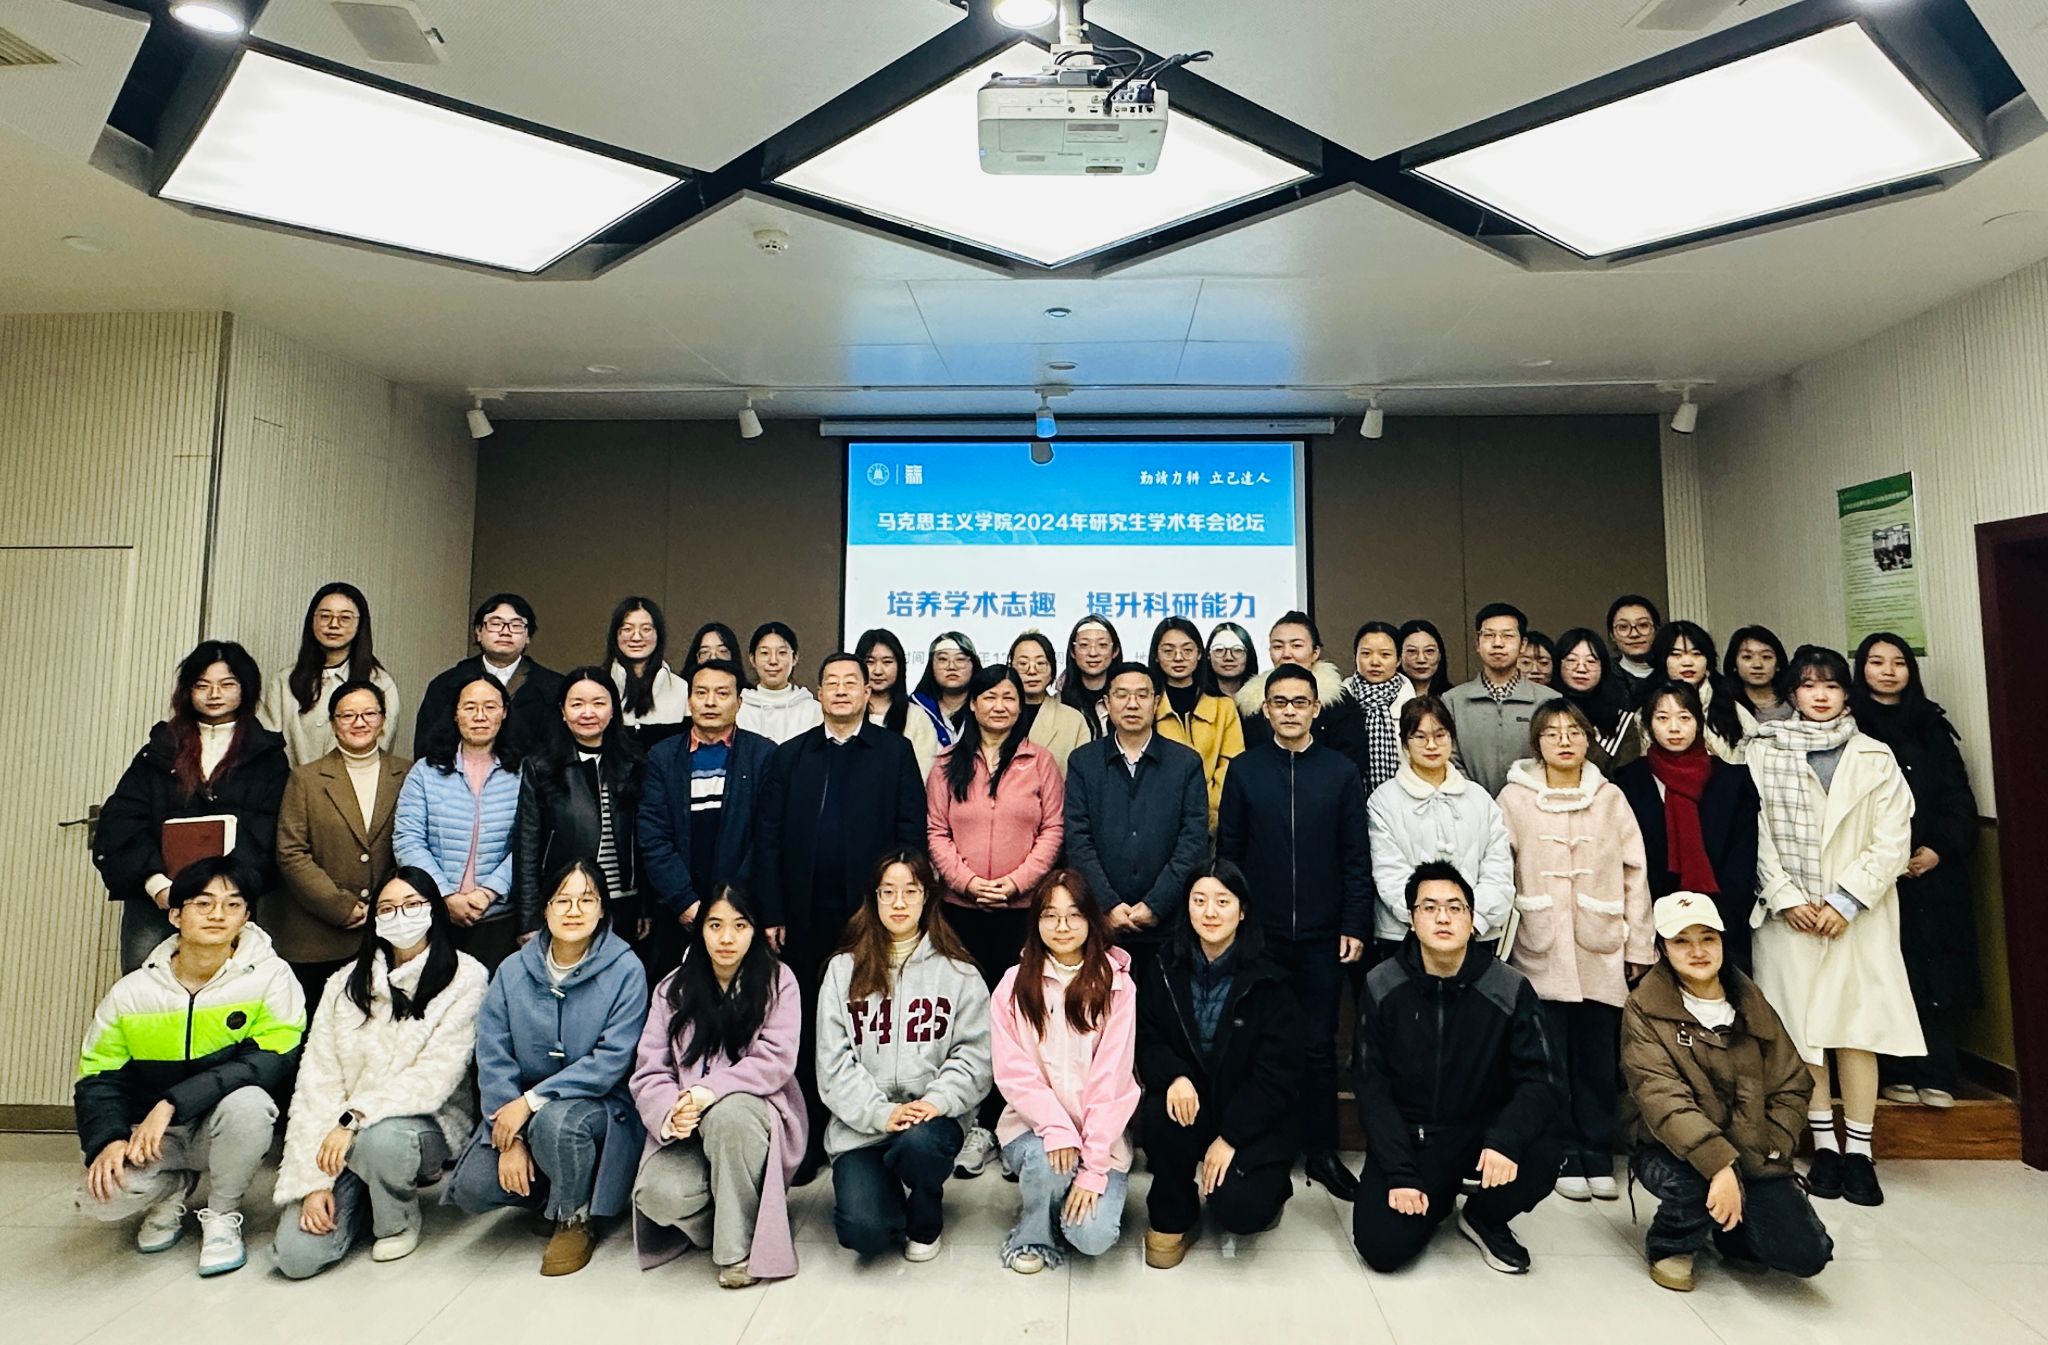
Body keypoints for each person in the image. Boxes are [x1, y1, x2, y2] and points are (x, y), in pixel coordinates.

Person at [72, 856, 306, 1277]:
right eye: (203, 903)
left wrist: (171, 1103)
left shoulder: (271, 977)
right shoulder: (133, 991)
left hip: (218, 1125)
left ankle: (223, 1215)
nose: (218, 914)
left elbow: (272, 1058)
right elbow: (98, 1074)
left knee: (251, 1105)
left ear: (246, 917)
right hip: (153, 1138)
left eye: (233, 905)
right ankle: (172, 1190)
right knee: (100, 1197)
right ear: (176, 915)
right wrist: (107, 1140)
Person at [1747, 645, 1920, 1207]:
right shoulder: (1763, 751)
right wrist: (1785, 896)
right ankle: (1823, 1145)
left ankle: (1860, 1152)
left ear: (1846, 693)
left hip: (1857, 918)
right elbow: (1752, 833)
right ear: (1792, 693)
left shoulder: (1876, 756)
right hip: (1790, 916)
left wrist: (1845, 900)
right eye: (1807, 685)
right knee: (1804, 1035)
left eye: (1830, 685)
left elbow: (1892, 840)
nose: (1819, 695)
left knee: (1857, 1030)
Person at [754, 654, 927, 1179]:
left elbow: (911, 832)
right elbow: (768, 839)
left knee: (869, 1021)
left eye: (852, 682)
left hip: (872, 916)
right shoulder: (791, 755)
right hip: (804, 916)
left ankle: (870, 1130)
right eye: (831, 682)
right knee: (810, 1025)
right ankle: (806, 1137)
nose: (842, 690)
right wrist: (772, 909)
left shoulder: (894, 752)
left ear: (867, 691)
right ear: (819, 693)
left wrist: (902, 906)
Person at [271, 868, 487, 1278]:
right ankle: (368, 1193)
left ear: (434, 910)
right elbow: (317, 1083)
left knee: (383, 1141)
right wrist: (313, 1183)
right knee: (296, 1258)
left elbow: (433, 1078)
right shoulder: (343, 985)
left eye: (412, 905)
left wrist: (354, 1118)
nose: (400, 916)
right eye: (387, 908)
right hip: (341, 1136)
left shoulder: (465, 976)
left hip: (424, 1124)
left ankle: (397, 1221)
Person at [1351, 863, 1562, 1276]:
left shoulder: (1508, 986)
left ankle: (1484, 1216)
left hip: (1481, 1135)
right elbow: (1371, 1086)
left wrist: (1506, 1139)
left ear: (1471, 918)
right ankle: (1437, 1194)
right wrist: (1400, 1172)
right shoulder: (1382, 984)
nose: (1443, 918)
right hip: (1414, 1137)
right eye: (1429, 908)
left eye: (1455, 907)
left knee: (1544, 1153)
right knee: (1382, 1248)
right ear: (1411, 919)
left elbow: (1543, 1078)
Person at [1621, 893, 1833, 1293]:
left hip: (1753, 1147)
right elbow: (1663, 1100)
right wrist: (1720, 1165)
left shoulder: (1751, 1000)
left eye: (1708, 938)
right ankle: (1673, 1243)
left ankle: (1731, 1230)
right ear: (1662, 949)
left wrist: (1765, 1152)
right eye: (1682, 941)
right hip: (1669, 1147)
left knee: (1806, 1254)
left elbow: (1792, 1084)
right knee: (1693, 1186)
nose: (1698, 951)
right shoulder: (1644, 1008)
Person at [447, 860, 650, 1275]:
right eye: (562, 900)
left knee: (557, 1123)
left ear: (602, 909)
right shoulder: (512, 970)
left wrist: (532, 1102)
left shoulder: (626, 969)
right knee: (473, 1187)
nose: (574, 911)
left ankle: (574, 1216)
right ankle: (556, 1188)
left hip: (599, 1105)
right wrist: (511, 1137)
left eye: (586, 900)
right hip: (521, 1108)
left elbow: (611, 1060)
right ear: (545, 908)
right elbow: (493, 1055)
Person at [1217, 660, 1372, 1200]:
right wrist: (1234, 923)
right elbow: (1229, 854)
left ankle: (1322, 1151)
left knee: (1318, 1045)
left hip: (1323, 933)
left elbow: (1356, 856)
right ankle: (1264, 1144)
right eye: (1279, 702)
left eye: (1299, 702)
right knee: (1256, 1041)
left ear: (1315, 708)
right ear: (1266, 709)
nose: (1289, 711)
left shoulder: (1339, 771)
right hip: (1259, 935)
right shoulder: (1245, 769)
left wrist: (1353, 921)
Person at [1497, 701, 1652, 1201]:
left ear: (1589, 739)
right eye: (1551, 733)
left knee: (1597, 1058)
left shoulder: (1610, 798)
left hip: (1599, 945)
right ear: (1536, 743)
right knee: (1547, 1059)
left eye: (1574, 732)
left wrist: (1639, 942)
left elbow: (1636, 872)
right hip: (1538, 944)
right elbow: (1500, 868)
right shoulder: (1514, 798)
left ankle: (1596, 1150)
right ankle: (1560, 1151)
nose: (1564, 741)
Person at [817, 850, 993, 1261]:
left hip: (930, 1121)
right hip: (862, 1126)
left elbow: (975, 1056)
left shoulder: (959, 973)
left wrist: (935, 1101)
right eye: (888, 892)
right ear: (874, 898)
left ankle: (925, 1212)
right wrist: (881, 1113)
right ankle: (884, 1194)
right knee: (865, 1233)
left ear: (926, 897)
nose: (899, 903)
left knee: (919, 1146)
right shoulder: (842, 970)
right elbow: (833, 1062)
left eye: (910, 892)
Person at [926, 663, 1066, 1179]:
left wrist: (1014, 883)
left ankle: (1009, 1125)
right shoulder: (947, 764)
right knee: (966, 1020)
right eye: (989, 697)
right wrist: (966, 882)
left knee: (1019, 1020)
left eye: (1009, 697)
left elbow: (1053, 830)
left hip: (1021, 913)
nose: (1000, 706)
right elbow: (936, 831)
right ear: (974, 703)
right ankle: (969, 1124)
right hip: (959, 913)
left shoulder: (1039, 762)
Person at [629, 885, 804, 1289]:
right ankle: (733, 1219)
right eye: (715, 925)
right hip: (689, 1127)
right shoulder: (672, 989)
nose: (727, 938)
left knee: (729, 1115)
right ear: (701, 929)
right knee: (655, 1195)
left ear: (754, 930)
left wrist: (709, 1091)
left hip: (753, 1117)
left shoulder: (779, 981)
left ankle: (736, 1251)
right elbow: (649, 1070)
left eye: (739, 926)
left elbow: (775, 1060)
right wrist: (670, 1110)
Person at [1136, 861, 1303, 1268]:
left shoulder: (1271, 978)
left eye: (1223, 902)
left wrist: (1231, 1136)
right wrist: (1174, 1074)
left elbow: (1277, 1074)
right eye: (1199, 901)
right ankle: (1177, 1212)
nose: (1210, 912)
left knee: (1241, 1211)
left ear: (1242, 911)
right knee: (1161, 1110)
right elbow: (1146, 1037)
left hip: (1250, 1115)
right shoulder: (1162, 966)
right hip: (1191, 1103)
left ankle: (1264, 1185)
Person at [95, 640, 290, 972]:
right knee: (147, 987)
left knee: (226, 990)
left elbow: (270, 830)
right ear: (187, 691)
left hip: (229, 902)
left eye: (227, 684)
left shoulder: (266, 756)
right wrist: (157, 884)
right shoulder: (160, 749)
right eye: (202, 685)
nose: (214, 694)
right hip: (157, 900)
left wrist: (225, 889)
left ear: (245, 689)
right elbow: (122, 821)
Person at [1851, 633, 1980, 1109]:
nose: (1888, 671)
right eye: (1876, 661)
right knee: (1887, 969)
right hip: (1873, 872)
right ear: (1861, 669)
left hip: (1932, 869)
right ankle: (1896, 1071)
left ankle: (1938, 1073)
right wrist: (1884, 856)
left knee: (1936, 970)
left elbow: (1957, 797)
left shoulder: (1932, 725)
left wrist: (1938, 849)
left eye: (1898, 662)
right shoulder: (1850, 725)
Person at [989, 871, 1139, 1273]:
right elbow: (1014, 1074)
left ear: (1091, 919)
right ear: (1036, 921)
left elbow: (1112, 1082)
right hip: (1033, 1130)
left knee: (1092, 1237)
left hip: (1101, 1138)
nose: (1062, 926)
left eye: (1074, 915)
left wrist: (1094, 1168)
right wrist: (1056, 1129)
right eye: (1050, 915)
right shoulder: (1013, 984)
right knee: (1047, 1160)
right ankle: (1033, 1233)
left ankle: (1062, 1196)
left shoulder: (1117, 986)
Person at [270, 679, 413, 1011]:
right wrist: (339, 906)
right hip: (318, 937)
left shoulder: (408, 774)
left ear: (383, 720)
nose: (359, 722)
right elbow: (291, 852)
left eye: (369, 714)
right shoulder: (305, 779)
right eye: (347, 715)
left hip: (390, 932)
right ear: (333, 724)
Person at [1064, 662, 1208, 978]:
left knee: (1163, 1006)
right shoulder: (1083, 762)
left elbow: (1193, 841)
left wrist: (1156, 904)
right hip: (1101, 922)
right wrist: (1108, 904)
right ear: (1107, 702)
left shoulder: (1185, 763)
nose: (1132, 704)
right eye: (1122, 695)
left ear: (1156, 701)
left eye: (1142, 695)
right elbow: (1077, 839)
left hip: (1168, 924)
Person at [637, 658, 775, 971]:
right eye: (701, 693)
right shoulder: (661, 757)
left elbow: (766, 838)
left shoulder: (764, 755)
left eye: (722, 693)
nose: (710, 702)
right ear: (689, 701)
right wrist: (684, 901)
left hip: (744, 910)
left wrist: (732, 906)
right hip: (678, 910)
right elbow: (653, 837)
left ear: (739, 702)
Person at [1614, 681, 1762, 972]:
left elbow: (1743, 860)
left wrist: (1714, 922)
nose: (1674, 728)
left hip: (1723, 923)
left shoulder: (1733, 780)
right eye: (1662, 718)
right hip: (1654, 922)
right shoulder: (1629, 780)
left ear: (1698, 722)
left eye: (1684, 717)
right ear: (1648, 725)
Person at [1366, 696, 1514, 956]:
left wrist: (1470, 920)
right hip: (1404, 937)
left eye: (1440, 735)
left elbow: (1498, 868)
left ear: (1452, 739)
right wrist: (1427, 921)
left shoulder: (1479, 798)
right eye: (1419, 737)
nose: (1431, 745)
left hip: (1475, 934)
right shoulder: (1383, 800)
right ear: (1404, 743)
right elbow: (1389, 873)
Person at [394, 673, 523, 969]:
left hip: (498, 917)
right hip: (433, 912)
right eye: (470, 707)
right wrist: (447, 895)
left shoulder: (522, 772)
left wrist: (488, 892)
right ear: (455, 714)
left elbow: (529, 843)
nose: (480, 716)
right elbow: (407, 839)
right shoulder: (425, 771)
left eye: (490, 707)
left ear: (504, 712)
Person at [513, 667, 645, 945]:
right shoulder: (540, 767)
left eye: (598, 703)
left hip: (623, 902)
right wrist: (528, 919)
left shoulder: (634, 762)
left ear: (613, 709)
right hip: (565, 900)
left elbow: (644, 840)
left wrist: (646, 906)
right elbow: (527, 846)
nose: (588, 713)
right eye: (577, 704)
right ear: (562, 711)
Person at [259, 582, 400, 765]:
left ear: (360, 624)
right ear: (312, 621)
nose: (334, 624)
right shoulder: (284, 681)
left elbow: (379, 749)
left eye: (345, 618)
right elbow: (268, 747)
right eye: (325, 616)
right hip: (292, 782)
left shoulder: (380, 683)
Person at [413, 594, 562, 758]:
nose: (505, 632)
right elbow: (426, 748)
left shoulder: (554, 688)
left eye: (516, 625)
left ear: (528, 636)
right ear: (478, 632)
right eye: (496, 624)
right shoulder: (446, 684)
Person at [1235, 611, 1371, 780]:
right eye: (1277, 646)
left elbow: (1352, 763)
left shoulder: (1338, 702)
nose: (1286, 653)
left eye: (1296, 646)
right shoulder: (1251, 705)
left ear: (1315, 652)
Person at [1441, 602, 1560, 795]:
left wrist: (1519, 799)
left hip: (1533, 804)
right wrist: (1476, 800)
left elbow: (1556, 760)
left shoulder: (1549, 701)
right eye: (1489, 635)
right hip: (1469, 804)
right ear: (1477, 643)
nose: (1498, 643)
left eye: (1507, 636)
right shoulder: (1452, 701)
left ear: (1522, 645)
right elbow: (1448, 759)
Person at [1151, 618, 1245, 829]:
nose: (1178, 658)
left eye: (1187, 650)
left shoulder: (1223, 707)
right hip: (1158, 820)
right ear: (1156, 656)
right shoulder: (1148, 706)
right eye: (1168, 651)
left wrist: (1206, 808)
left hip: (1213, 820)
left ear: (1200, 654)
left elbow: (1231, 765)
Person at [1642, 621, 1746, 762]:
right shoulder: (1648, 706)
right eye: (1676, 654)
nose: (1687, 662)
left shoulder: (1729, 703)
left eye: (1696, 654)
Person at [1340, 620, 1416, 796]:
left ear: (1398, 659)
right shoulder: (1338, 701)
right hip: (1350, 798)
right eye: (1366, 653)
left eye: (1385, 655)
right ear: (1355, 656)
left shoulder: (1414, 705)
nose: (1375, 662)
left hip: (1406, 798)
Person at [1552, 627, 1642, 773]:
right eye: (1572, 660)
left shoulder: (1623, 721)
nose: (1581, 668)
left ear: (1603, 667)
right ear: (1558, 665)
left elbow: (1627, 776)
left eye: (1591, 661)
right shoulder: (1545, 712)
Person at [607, 595, 689, 749]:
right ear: (615, 635)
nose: (636, 637)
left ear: (659, 634)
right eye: (627, 629)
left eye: (646, 629)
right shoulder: (599, 685)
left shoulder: (681, 688)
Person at [858, 627, 939, 777]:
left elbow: (920, 774)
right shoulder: (844, 712)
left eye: (887, 662)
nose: (878, 671)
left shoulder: (916, 717)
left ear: (900, 666)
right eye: (870, 662)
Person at [1011, 631, 1092, 771]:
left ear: (1052, 670)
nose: (1032, 671)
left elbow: (1083, 774)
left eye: (1041, 663)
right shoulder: (996, 714)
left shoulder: (1073, 720)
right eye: (1023, 663)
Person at [738, 621, 823, 744]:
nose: (773, 661)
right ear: (752, 659)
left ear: (795, 658)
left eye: (782, 653)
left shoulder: (813, 711)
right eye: (764, 653)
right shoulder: (739, 708)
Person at [909, 631, 980, 751]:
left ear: (973, 664)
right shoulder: (913, 709)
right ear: (931, 665)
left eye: (960, 659)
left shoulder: (986, 708)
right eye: (943, 659)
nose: (951, 666)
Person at [1056, 614, 1123, 737]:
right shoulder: (1058, 700)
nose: (1093, 653)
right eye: (1084, 645)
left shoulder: (1128, 699)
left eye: (1102, 645)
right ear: (1072, 651)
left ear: (1115, 651)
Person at [1727, 625, 1794, 733]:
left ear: (1778, 664)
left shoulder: (1795, 701)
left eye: (1766, 657)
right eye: (1747, 657)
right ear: (1734, 663)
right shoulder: (1723, 703)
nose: (1757, 665)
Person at [1607, 595, 1663, 689]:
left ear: (1656, 630)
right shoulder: (1603, 676)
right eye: (1623, 627)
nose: (1634, 634)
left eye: (1643, 625)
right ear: (1612, 635)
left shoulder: (1673, 673)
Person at [1200, 620, 1258, 702]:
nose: (1228, 657)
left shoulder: (1263, 697)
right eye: (1219, 650)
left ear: (1248, 655)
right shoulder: (1197, 698)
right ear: (1208, 655)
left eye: (1237, 650)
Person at [1396, 618, 1453, 699]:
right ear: (1399, 656)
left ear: (1440, 655)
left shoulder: (1454, 699)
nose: (1421, 660)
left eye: (1429, 651)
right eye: (1412, 651)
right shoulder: (1385, 698)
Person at [681, 621, 748, 686]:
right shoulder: (681, 690)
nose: (713, 657)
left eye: (722, 651)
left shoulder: (746, 693)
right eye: (704, 652)